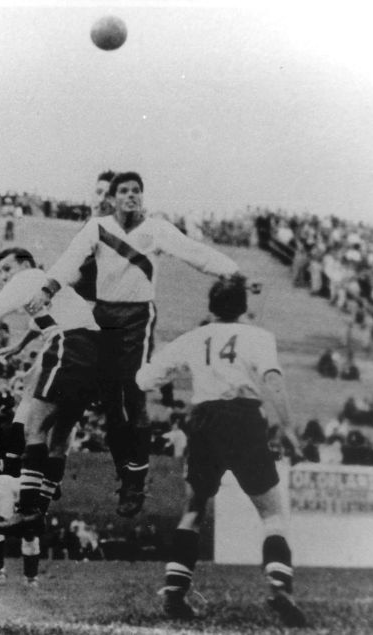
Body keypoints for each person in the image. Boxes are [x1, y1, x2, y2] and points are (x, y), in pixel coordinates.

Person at [27, 171, 238, 517]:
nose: (131, 196)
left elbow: (194, 252)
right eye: (124, 191)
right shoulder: (98, 227)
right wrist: (48, 288)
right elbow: (71, 259)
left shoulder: (156, 229)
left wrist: (232, 272)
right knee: (112, 403)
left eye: (136, 191)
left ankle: (136, 482)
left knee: (133, 389)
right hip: (105, 316)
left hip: (138, 316)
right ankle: (127, 475)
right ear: (111, 198)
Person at [135, 274, 306, 627]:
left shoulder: (195, 337)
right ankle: (280, 587)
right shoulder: (258, 336)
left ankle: (175, 592)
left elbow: (145, 379)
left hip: (204, 421)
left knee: (194, 510)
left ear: (211, 306)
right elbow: (273, 381)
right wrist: (288, 427)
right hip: (243, 419)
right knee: (272, 513)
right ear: (243, 307)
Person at [0, 247, 99, 542]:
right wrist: (20, 346)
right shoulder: (49, 285)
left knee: (36, 426)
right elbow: (40, 321)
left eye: (7, 269)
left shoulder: (27, 278)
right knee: (58, 436)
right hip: (94, 352)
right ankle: (38, 508)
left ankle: (25, 503)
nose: (4, 276)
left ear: (24, 265)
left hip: (69, 346)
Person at [0, 401, 43, 587]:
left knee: (29, 529)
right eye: (17, 386)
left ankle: (31, 578)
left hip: (28, 476)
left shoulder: (40, 413)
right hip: (1, 476)